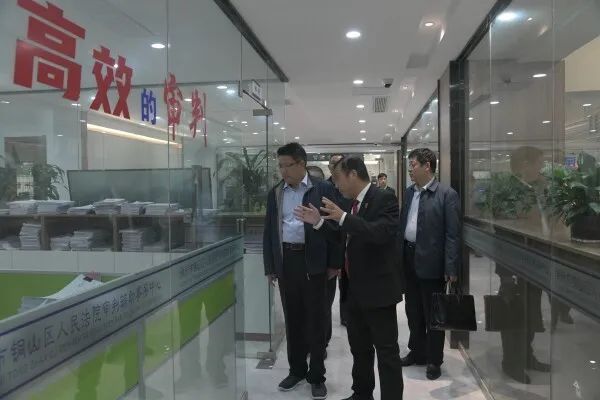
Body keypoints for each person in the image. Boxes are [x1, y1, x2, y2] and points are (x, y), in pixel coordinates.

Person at [295, 156, 404, 400]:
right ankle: (361, 395)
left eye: (338, 178)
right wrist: (319, 222)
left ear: (353, 174)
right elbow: (342, 238)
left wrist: (343, 218)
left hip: (379, 291)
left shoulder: (384, 198)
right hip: (353, 291)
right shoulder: (349, 202)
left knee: (386, 353)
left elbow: (380, 233)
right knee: (360, 349)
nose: (336, 185)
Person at [263, 142, 340, 400]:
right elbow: (269, 232)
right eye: (280, 166)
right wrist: (270, 266)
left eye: (287, 165)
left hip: (314, 261)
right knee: (293, 319)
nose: (283, 171)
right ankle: (296, 370)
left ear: (302, 164)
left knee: (316, 321)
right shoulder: (276, 193)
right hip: (287, 262)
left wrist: (334, 263)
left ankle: (316, 376)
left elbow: (336, 230)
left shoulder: (323, 189)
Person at [398, 148, 459, 381]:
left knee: (433, 315)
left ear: (427, 166)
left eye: (413, 165)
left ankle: (434, 360)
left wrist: (451, 267)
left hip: (432, 264)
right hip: (408, 258)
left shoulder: (446, 194)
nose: (410, 170)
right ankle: (417, 352)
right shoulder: (409, 192)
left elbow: (452, 235)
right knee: (413, 311)